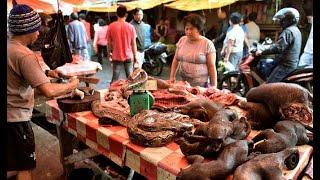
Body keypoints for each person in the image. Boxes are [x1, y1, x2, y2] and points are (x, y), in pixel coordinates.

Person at [7, 4, 79, 180]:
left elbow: (16, 72)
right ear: (27, 30)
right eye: (36, 29)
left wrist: (46, 73)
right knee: (24, 168)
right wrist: (73, 84)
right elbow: (48, 91)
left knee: (10, 164)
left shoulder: (10, 47)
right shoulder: (25, 55)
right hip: (16, 120)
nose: (39, 33)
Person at [169, 13, 217, 87]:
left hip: (201, 86)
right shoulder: (182, 40)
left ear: (198, 29)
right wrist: (172, 77)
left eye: (191, 29)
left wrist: (214, 86)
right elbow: (176, 59)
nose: (188, 32)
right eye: (186, 29)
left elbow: (211, 66)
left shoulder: (207, 43)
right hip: (184, 84)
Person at [255, 8, 302, 83]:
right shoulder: (296, 30)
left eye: (282, 20)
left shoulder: (288, 31)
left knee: (269, 87)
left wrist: (262, 51)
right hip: (291, 64)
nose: (281, 22)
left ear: (288, 20)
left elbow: (278, 48)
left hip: (285, 65)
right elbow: (280, 45)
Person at [107, 5, 137, 83]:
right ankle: (130, 94)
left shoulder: (111, 26)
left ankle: (111, 94)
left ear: (116, 14)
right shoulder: (131, 27)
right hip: (128, 56)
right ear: (126, 15)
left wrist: (109, 54)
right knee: (130, 79)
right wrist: (135, 56)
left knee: (115, 79)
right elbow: (133, 43)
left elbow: (109, 43)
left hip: (116, 56)